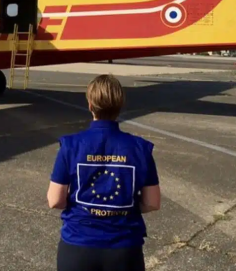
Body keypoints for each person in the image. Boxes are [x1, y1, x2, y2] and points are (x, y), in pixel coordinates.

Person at [47, 74, 160, 271]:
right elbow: (152, 202)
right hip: (125, 249)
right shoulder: (140, 148)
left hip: (78, 246)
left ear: (90, 105)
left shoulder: (71, 145)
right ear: (120, 106)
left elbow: (55, 200)